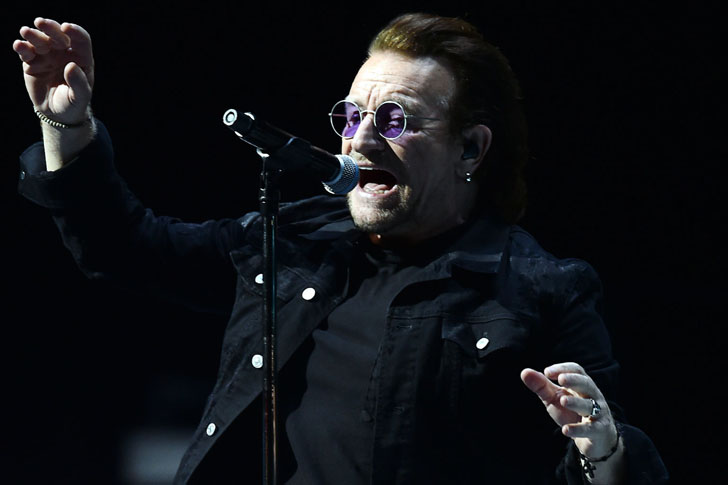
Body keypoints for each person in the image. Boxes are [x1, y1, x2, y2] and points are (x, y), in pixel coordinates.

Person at [13, 13, 668, 484]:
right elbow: (127, 248)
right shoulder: (295, 240)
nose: (360, 140)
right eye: (352, 116)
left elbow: (607, 453)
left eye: (395, 119)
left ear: (470, 148)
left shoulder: (542, 287)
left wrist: (603, 451)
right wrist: (65, 125)